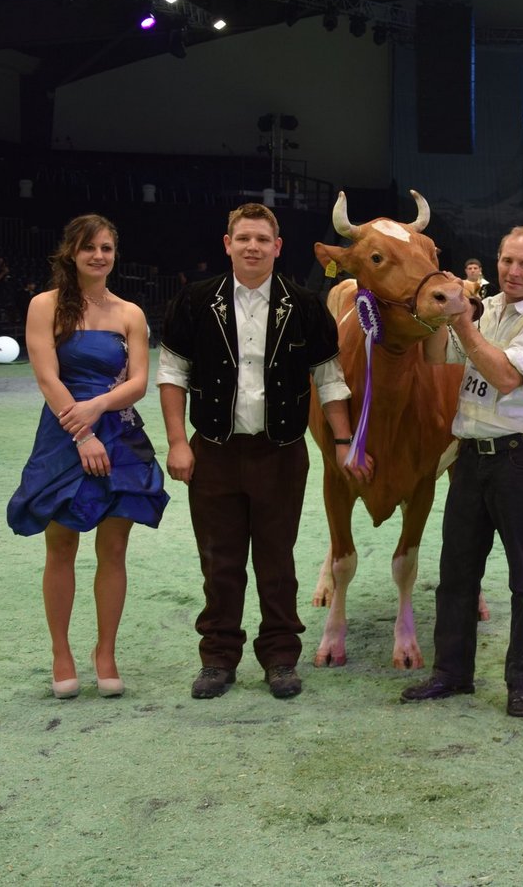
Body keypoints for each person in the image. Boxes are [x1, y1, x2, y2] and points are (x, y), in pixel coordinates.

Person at [158, 203, 364, 701]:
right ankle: (217, 658)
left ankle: (279, 658)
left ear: (278, 247)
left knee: (278, 561)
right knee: (220, 561)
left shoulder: (307, 304)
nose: (253, 246)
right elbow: (172, 374)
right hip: (213, 453)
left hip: (282, 453)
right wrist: (178, 443)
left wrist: (342, 442)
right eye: (243, 238)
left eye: (262, 239)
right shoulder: (194, 300)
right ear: (227, 244)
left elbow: (330, 380)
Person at [403, 225, 523, 717]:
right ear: (496, 262)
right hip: (471, 456)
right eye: (507, 261)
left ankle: (522, 682)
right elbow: (437, 359)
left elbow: (504, 374)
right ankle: (451, 673)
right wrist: (435, 312)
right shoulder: (489, 308)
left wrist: (462, 322)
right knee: (455, 572)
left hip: (521, 460)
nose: (513, 271)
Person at [7, 214, 168, 699]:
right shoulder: (45, 306)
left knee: (114, 549)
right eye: (89, 248)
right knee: (61, 546)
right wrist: (82, 434)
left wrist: (99, 407)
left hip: (119, 434)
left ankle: (106, 653)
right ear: (71, 254)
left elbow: (139, 381)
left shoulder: (130, 313)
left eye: (106, 248)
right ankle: (61, 653)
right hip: (63, 434)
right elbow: (47, 377)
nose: (99, 256)